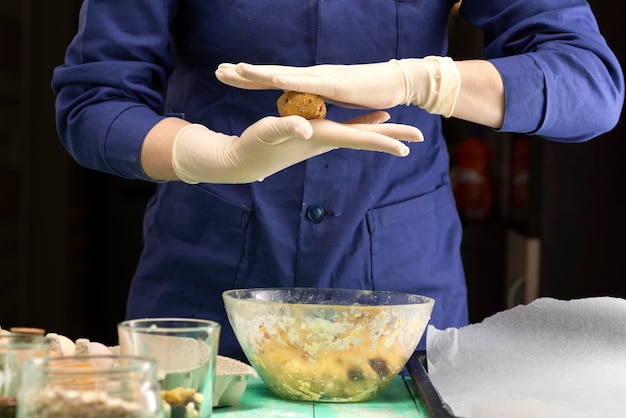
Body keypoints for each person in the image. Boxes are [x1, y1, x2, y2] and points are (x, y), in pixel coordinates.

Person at [52, 0, 623, 362]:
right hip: (202, 304)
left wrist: (423, 81)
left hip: (403, 314)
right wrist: (213, 156)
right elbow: (94, 101)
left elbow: (588, 84)